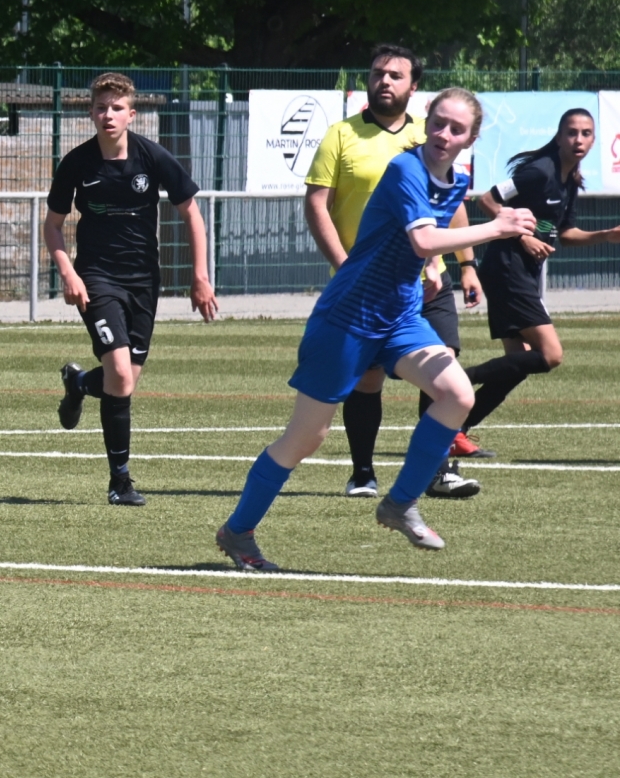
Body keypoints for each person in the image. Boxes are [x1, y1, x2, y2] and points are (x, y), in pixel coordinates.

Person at [215, 88, 534, 571]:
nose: (444, 134)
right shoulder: (406, 168)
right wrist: (496, 228)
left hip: (400, 315)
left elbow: (417, 243)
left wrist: (432, 269)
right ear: (426, 123)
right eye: (438, 122)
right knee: (306, 438)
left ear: (471, 139)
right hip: (349, 316)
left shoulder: (456, 179)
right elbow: (423, 238)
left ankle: (400, 504)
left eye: (457, 129)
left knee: (457, 394)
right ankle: (238, 531)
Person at [303, 44, 483, 499]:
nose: (384, 80)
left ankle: (437, 471)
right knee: (368, 379)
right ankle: (363, 472)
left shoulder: (432, 135)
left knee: (444, 362)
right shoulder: (341, 134)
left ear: (413, 86)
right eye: (377, 73)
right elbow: (317, 205)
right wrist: (345, 267)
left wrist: (465, 264)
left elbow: (451, 204)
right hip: (367, 283)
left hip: (429, 276)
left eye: (395, 75)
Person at [48, 72, 218, 507]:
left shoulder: (152, 157)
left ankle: (79, 383)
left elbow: (192, 214)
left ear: (131, 114)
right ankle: (119, 482)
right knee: (121, 375)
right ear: (91, 113)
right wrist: (68, 273)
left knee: (122, 381)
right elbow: (53, 226)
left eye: (117, 108)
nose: (108, 114)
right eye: (101, 107)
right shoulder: (77, 163)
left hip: (144, 281)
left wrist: (200, 276)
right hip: (96, 279)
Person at [463, 108, 620, 447]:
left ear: (594, 140)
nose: (578, 139)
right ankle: (456, 381)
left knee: (516, 365)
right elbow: (487, 200)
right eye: (572, 132)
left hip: (520, 273)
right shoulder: (539, 171)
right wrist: (523, 236)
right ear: (559, 136)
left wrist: (605, 235)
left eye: (586, 133)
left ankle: (453, 429)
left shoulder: (570, 179)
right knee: (550, 354)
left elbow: (566, 234)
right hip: (506, 268)